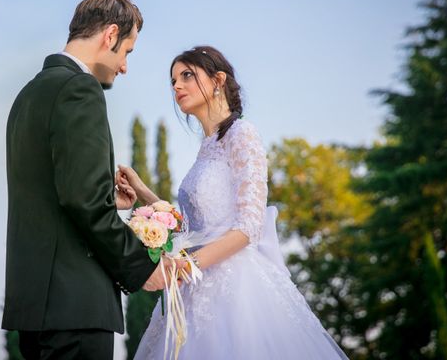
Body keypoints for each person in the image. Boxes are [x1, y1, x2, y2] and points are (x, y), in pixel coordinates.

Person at [119, 46, 349, 359]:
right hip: (195, 284)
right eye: (172, 80)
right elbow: (194, 227)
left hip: (238, 290)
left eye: (187, 75)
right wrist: (142, 189)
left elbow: (249, 226)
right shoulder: (206, 148)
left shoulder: (242, 134)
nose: (176, 86)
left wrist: (185, 267)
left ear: (218, 80)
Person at [2, 0, 179, 360]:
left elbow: (53, 191)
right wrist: (139, 267)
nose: (125, 67)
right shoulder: (80, 89)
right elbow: (82, 201)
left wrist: (107, 197)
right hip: (75, 306)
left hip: (36, 306)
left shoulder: (28, 95)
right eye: (128, 51)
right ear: (110, 35)